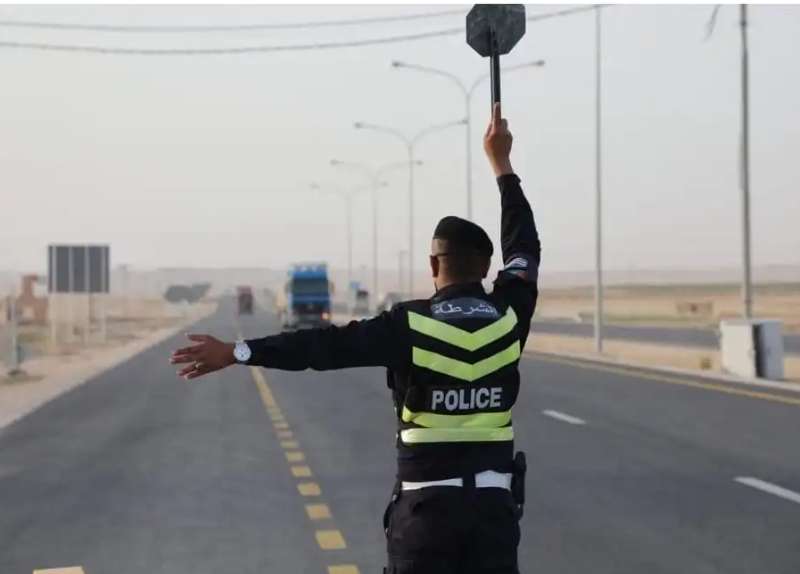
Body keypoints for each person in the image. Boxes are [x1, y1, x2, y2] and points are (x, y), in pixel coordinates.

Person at [169, 102, 540, 574]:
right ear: (487, 267)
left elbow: (321, 347)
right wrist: (502, 165)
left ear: (432, 264)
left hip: (426, 519)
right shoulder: (509, 315)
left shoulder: (408, 325)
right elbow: (524, 247)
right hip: (493, 521)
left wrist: (237, 351)